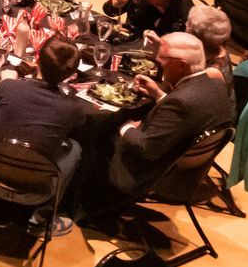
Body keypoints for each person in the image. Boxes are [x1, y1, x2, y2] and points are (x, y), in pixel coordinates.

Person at [92, 33, 232, 210]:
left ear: (181, 65)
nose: (158, 62)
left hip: (150, 173)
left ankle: (89, 204)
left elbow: (147, 148)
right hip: (192, 169)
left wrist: (125, 126)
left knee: (96, 131)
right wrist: (159, 95)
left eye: (163, 60)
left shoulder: (182, 102)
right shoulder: (214, 84)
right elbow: (187, 118)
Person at [0, 36, 89, 234]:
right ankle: (42, 216)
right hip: (36, 188)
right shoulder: (73, 107)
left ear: (37, 59)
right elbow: (80, 125)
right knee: (74, 148)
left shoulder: (9, 87)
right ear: (71, 75)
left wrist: (4, 84)